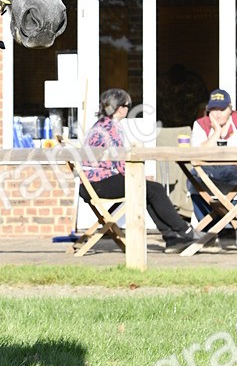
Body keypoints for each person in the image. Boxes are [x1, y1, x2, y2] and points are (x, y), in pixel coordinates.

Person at [82, 88, 199, 253]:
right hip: (98, 183)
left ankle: (172, 238)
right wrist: (139, 176)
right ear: (119, 107)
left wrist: (140, 178)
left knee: (148, 189)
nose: (128, 109)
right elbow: (120, 162)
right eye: (127, 105)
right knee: (155, 189)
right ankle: (184, 231)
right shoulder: (111, 129)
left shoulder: (101, 125)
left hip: (93, 183)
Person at [189, 88, 237, 250]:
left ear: (230, 110)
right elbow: (196, 157)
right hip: (207, 175)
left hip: (235, 174)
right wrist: (216, 132)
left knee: (232, 175)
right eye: (213, 110)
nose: (217, 114)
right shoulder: (200, 125)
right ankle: (209, 230)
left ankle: (227, 230)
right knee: (193, 177)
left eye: (222, 109)